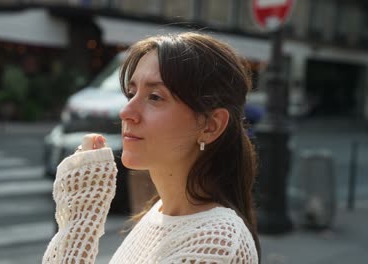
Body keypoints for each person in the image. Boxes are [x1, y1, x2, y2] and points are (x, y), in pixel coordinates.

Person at [43, 32, 260, 263]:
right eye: (131, 93)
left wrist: (81, 218)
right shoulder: (159, 212)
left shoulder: (215, 243)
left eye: (155, 97)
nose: (126, 112)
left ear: (210, 126)